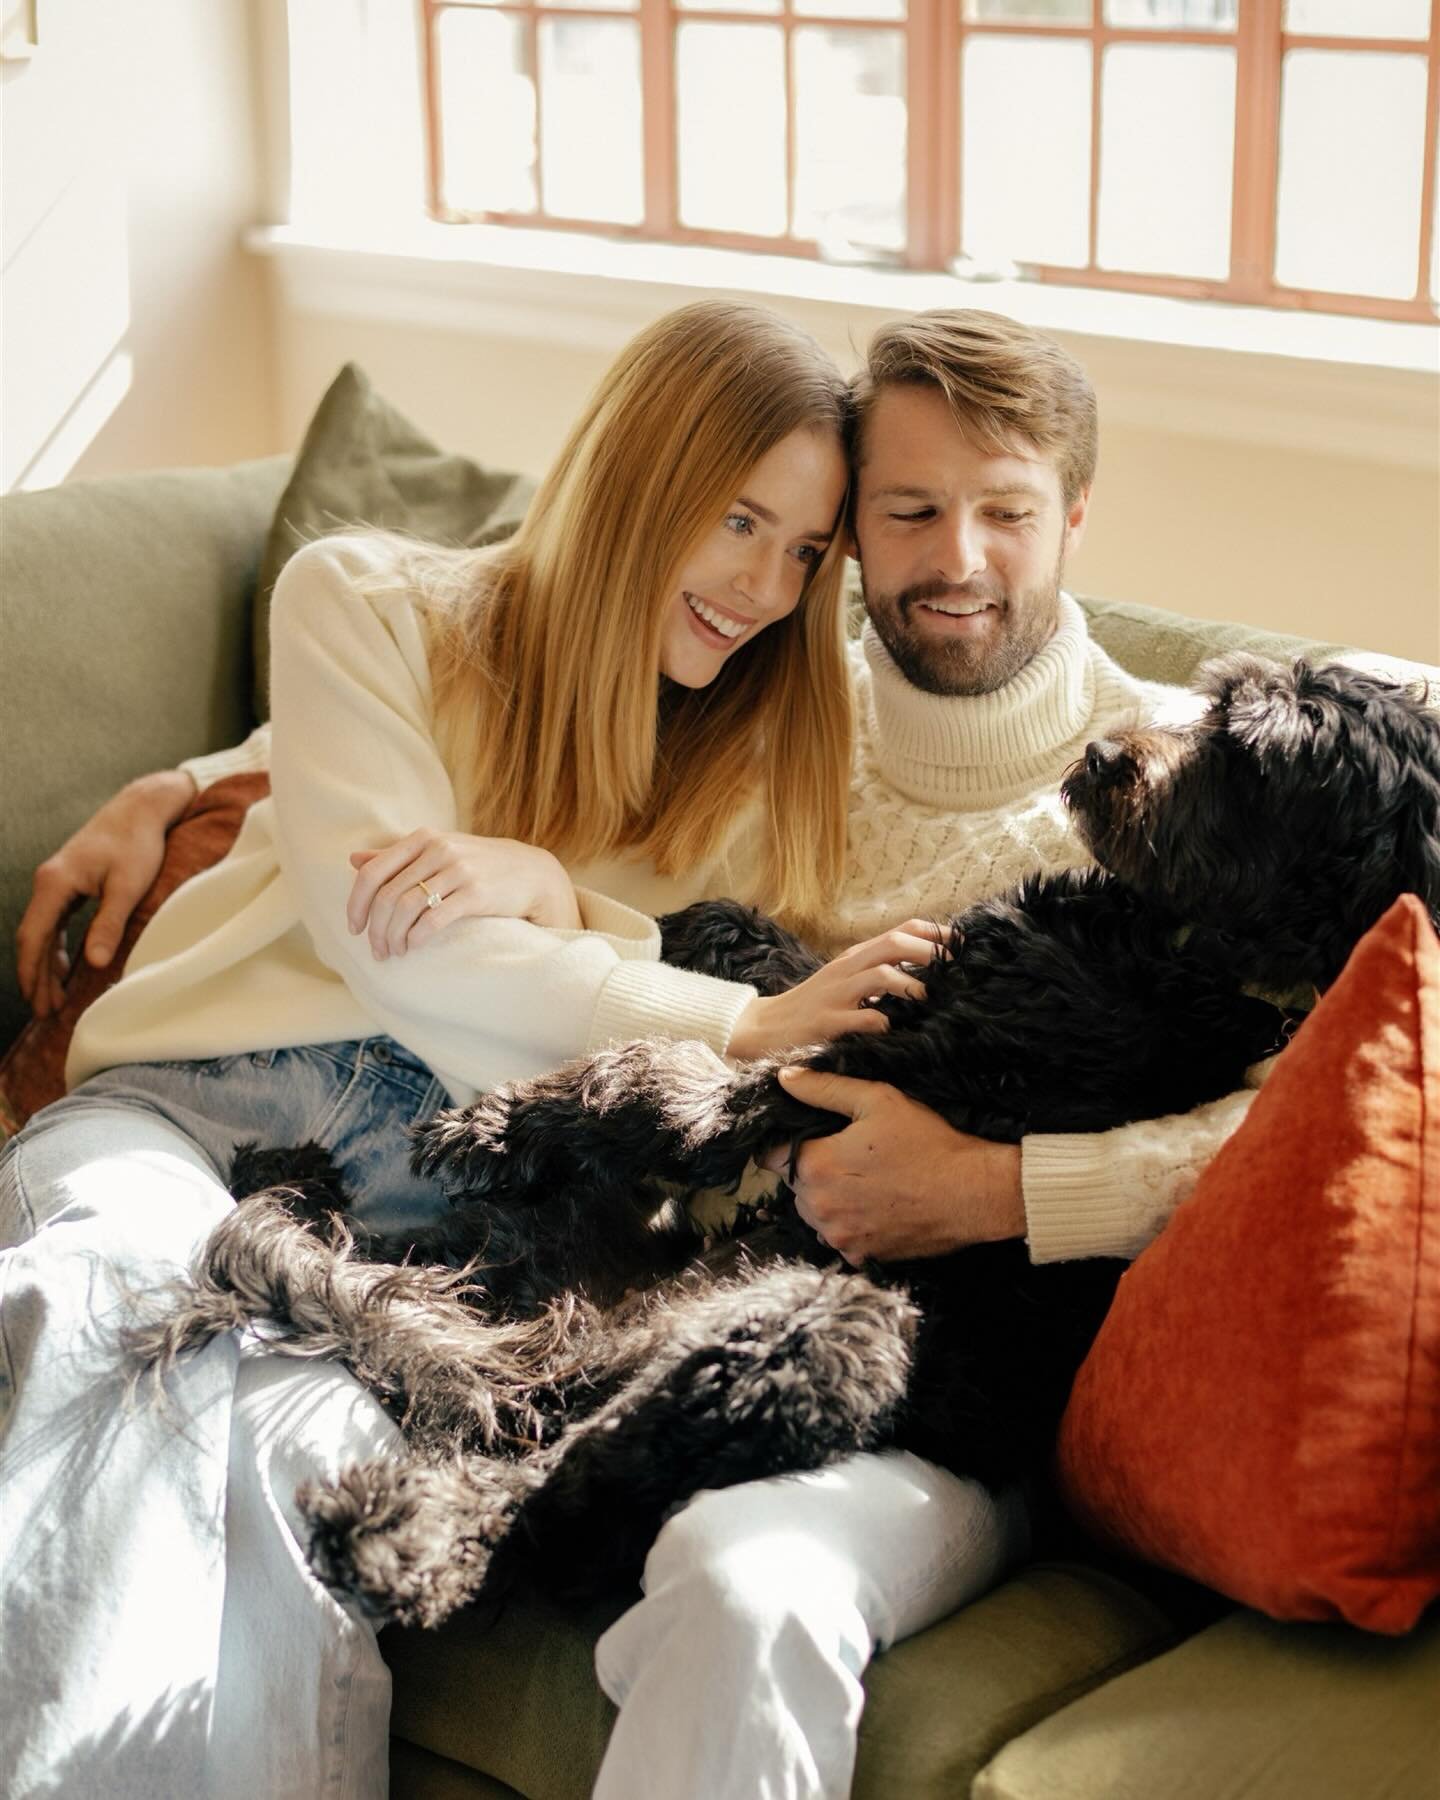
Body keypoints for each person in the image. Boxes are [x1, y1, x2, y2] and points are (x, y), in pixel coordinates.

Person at [10, 310, 1259, 1799]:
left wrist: (1008, 1190)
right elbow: (438, 753)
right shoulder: (778, 727)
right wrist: (186, 782)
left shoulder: (1173, 773)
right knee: (96, 1308)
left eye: (1007, 511)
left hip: (881, 1333)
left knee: (326, 1468)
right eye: (904, 514)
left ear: (1074, 516)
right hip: (281, 1137)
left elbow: (1323, 1093)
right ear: (866, 543)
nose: (958, 558)